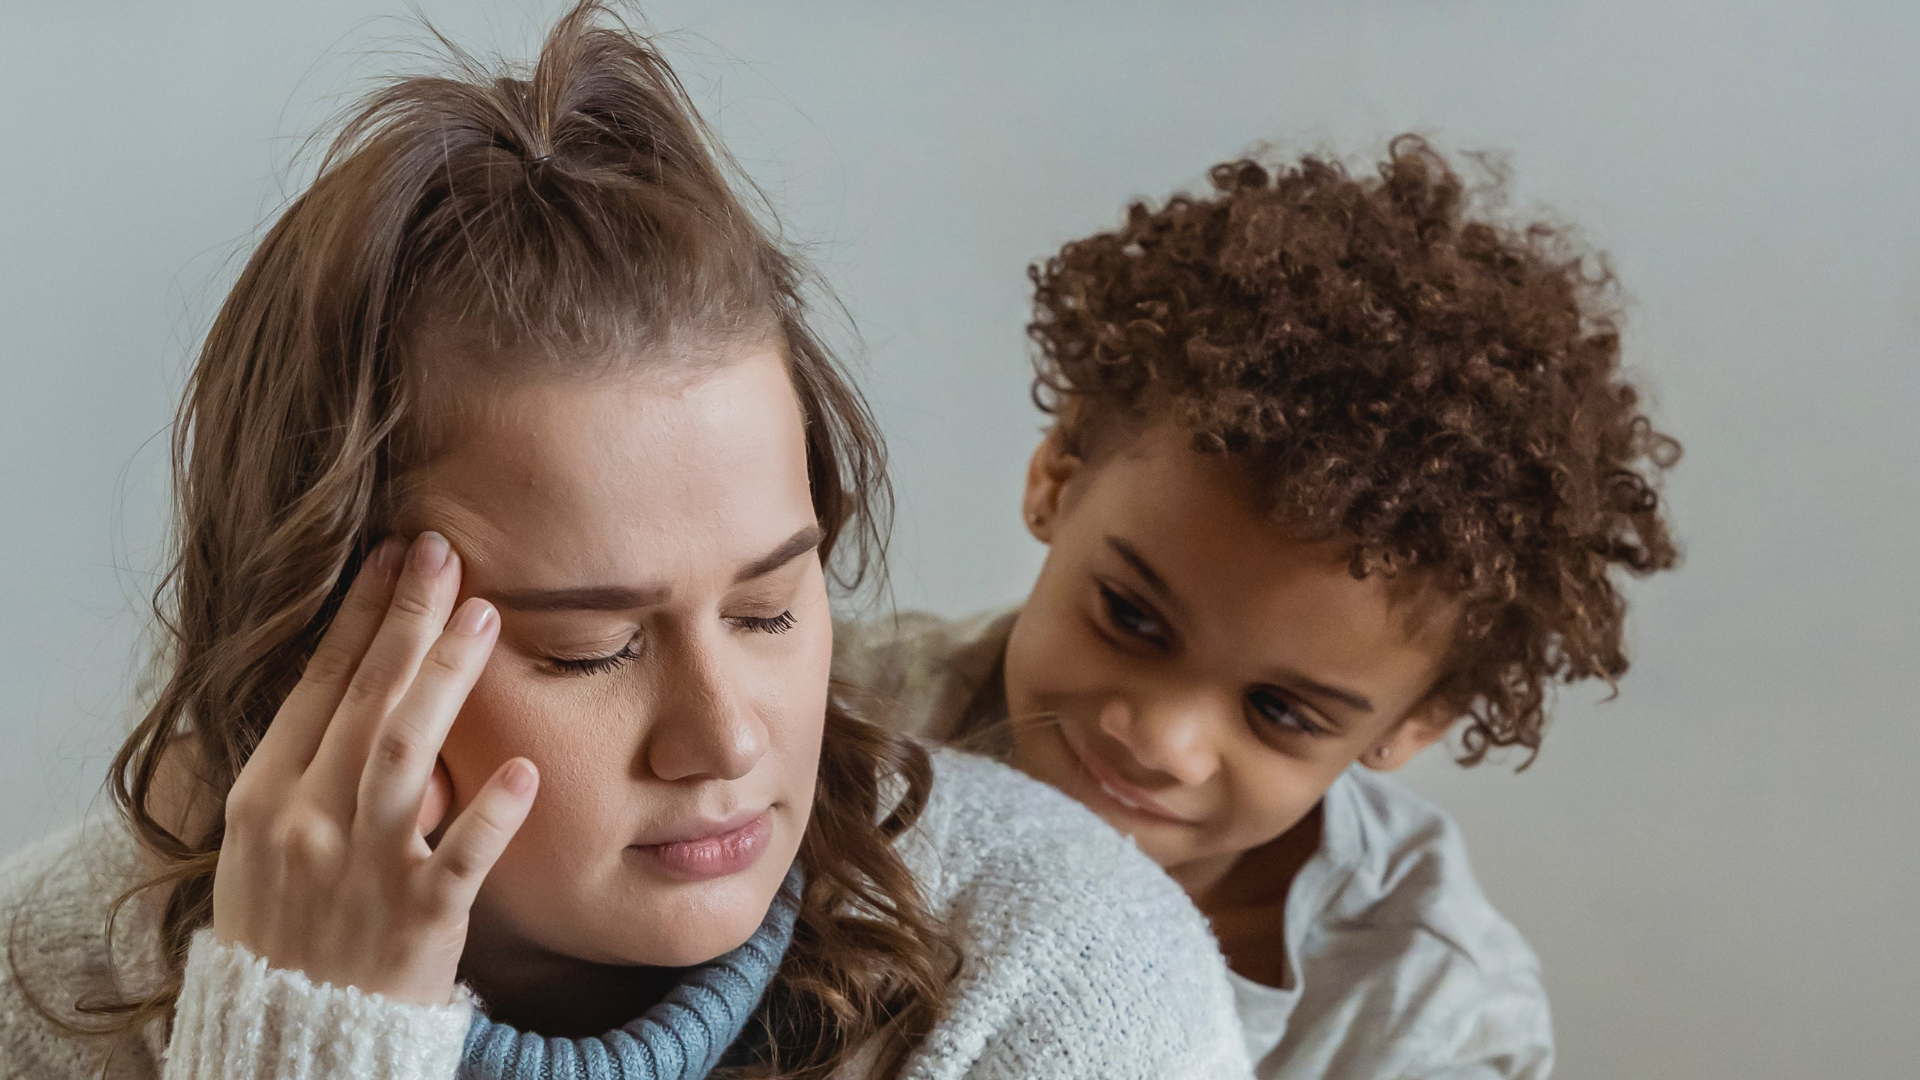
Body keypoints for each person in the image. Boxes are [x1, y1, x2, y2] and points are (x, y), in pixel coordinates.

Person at [0, 5, 1252, 1078]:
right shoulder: (48, 977)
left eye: (769, 611)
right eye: (588, 648)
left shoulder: (1063, 978)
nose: (728, 737)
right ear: (311, 645)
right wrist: (307, 1038)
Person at [836, 139, 1682, 1079]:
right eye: (1131, 618)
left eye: (1279, 713)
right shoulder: (838, 721)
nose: (1160, 741)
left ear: (1416, 721)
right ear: (1058, 476)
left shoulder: (1425, 1013)